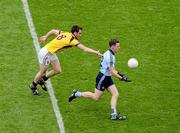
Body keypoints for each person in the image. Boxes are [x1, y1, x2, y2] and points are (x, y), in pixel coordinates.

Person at [29, 25, 102, 96]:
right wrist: (96, 53)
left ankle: (42, 80)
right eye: (79, 33)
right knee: (42, 72)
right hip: (46, 53)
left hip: (51, 52)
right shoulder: (72, 40)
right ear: (75, 33)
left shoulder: (65, 33)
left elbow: (53, 31)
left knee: (57, 70)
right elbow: (85, 48)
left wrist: (46, 36)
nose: (80, 35)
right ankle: (33, 86)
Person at [68, 39, 131, 120]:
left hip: (106, 77)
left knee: (115, 94)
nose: (119, 48)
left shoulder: (108, 52)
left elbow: (111, 69)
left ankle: (114, 114)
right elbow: (111, 71)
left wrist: (119, 74)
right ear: (112, 46)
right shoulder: (110, 57)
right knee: (96, 97)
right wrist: (121, 78)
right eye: (118, 46)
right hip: (103, 78)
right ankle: (76, 93)